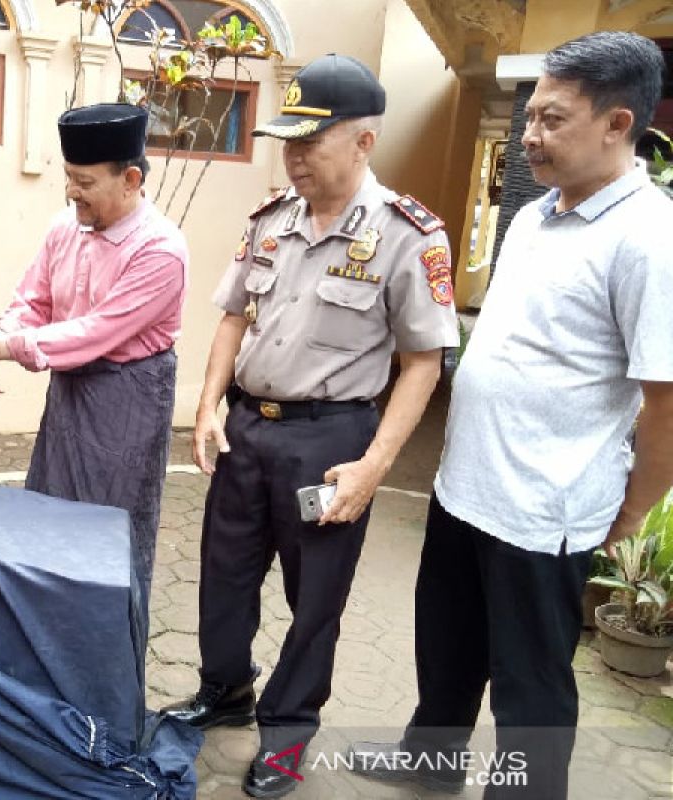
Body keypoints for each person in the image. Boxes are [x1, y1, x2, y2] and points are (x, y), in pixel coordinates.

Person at [349, 32, 673, 799]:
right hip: (468, 488)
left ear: (618, 124)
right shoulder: (536, 216)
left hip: (544, 509)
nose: (528, 136)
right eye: (529, 116)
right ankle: (430, 765)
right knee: (449, 648)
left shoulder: (649, 240)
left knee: (531, 687)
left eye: (551, 120)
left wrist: (634, 505)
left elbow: (666, 401)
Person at [160, 54, 458, 798]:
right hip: (246, 432)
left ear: (363, 140)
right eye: (285, 140)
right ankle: (226, 689)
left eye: (308, 141)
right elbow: (234, 315)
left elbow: (424, 362)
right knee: (223, 578)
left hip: (328, 445)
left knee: (313, 597)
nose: (292, 155)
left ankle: (288, 736)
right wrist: (207, 405)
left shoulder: (406, 235)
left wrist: (374, 465)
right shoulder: (271, 220)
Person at [0, 103, 189, 611]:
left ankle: (105, 678)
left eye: (84, 181)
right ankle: (46, 656)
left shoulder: (161, 250)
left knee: (108, 540)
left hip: (126, 401)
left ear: (130, 179)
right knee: (46, 521)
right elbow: (33, 300)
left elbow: (95, 333)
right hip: (68, 390)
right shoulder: (65, 227)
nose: (71, 192)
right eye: (68, 177)